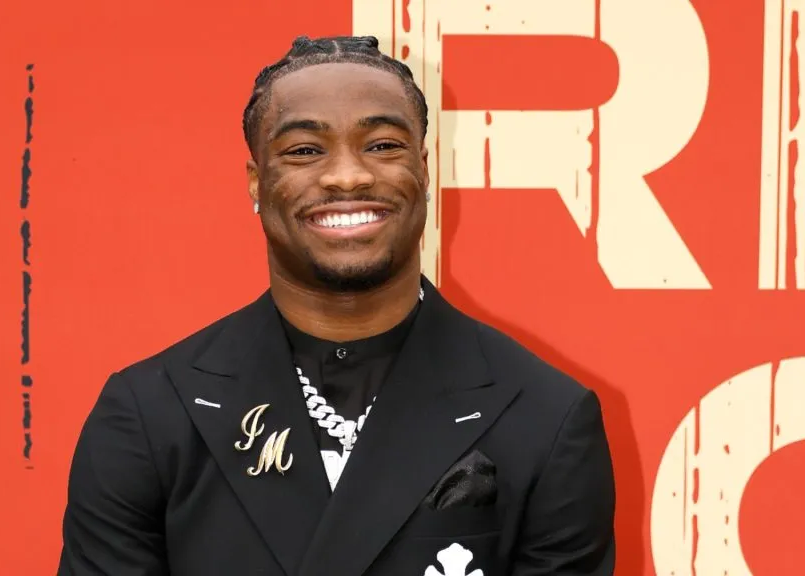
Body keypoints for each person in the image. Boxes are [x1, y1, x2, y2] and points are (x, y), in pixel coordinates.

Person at [57, 35, 616, 576]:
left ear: (423, 170)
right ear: (257, 182)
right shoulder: (150, 414)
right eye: (304, 150)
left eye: (382, 145)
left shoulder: (546, 418)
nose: (348, 175)